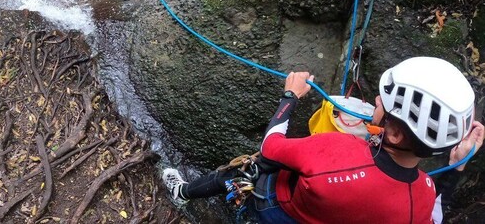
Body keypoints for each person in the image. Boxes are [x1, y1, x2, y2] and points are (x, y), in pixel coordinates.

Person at [163, 56, 484, 223]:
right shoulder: (423, 197)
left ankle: (182, 193)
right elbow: (434, 217)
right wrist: (455, 168)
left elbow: (270, 147)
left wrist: (290, 96)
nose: (374, 100)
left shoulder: (339, 149)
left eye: (382, 103)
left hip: (276, 205)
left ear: (396, 133)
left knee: (244, 170)